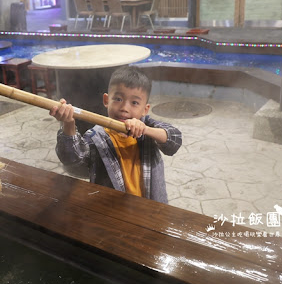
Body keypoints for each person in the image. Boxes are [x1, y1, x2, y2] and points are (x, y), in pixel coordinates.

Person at [49, 66, 182, 204]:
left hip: (151, 207)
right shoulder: (97, 136)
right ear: (106, 100)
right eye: (118, 99)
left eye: (135, 103)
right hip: (113, 211)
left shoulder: (148, 126)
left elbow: (175, 141)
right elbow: (71, 159)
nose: (124, 108)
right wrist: (68, 123)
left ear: (145, 109)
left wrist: (145, 129)